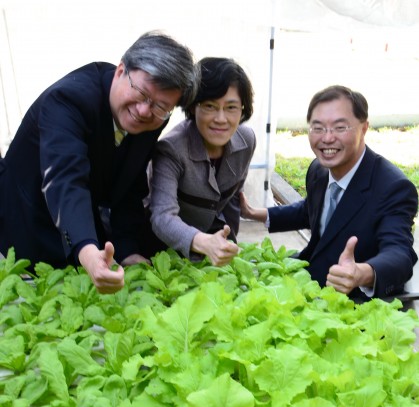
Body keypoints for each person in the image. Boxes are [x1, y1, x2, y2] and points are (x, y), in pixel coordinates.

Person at [0, 31, 198, 293]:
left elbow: (130, 183)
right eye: (141, 92)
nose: (144, 111)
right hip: (29, 216)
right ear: (120, 71)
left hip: (84, 218)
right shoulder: (69, 100)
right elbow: (65, 180)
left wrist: (127, 250)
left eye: (162, 106)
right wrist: (87, 249)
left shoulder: (152, 119)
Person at [240, 85, 418, 300]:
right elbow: (311, 210)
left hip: (353, 300)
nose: (327, 138)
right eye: (318, 128)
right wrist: (255, 213)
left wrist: (362, 273)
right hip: (311, 277)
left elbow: (400, 254)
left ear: (364, 128)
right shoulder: (319, 169)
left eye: (340, 128)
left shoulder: (393, 188)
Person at [148, 56, 256, 266]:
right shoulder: (171, 149)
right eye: (209, 106)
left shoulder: (247, 140)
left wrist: (228, 242)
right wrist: (202, 242)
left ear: (243, 109)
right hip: (164, 248)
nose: (221, 119)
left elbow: (232, 198)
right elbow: (162, 217)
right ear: (192, 107)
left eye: (231, 107)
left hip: (211, 241)